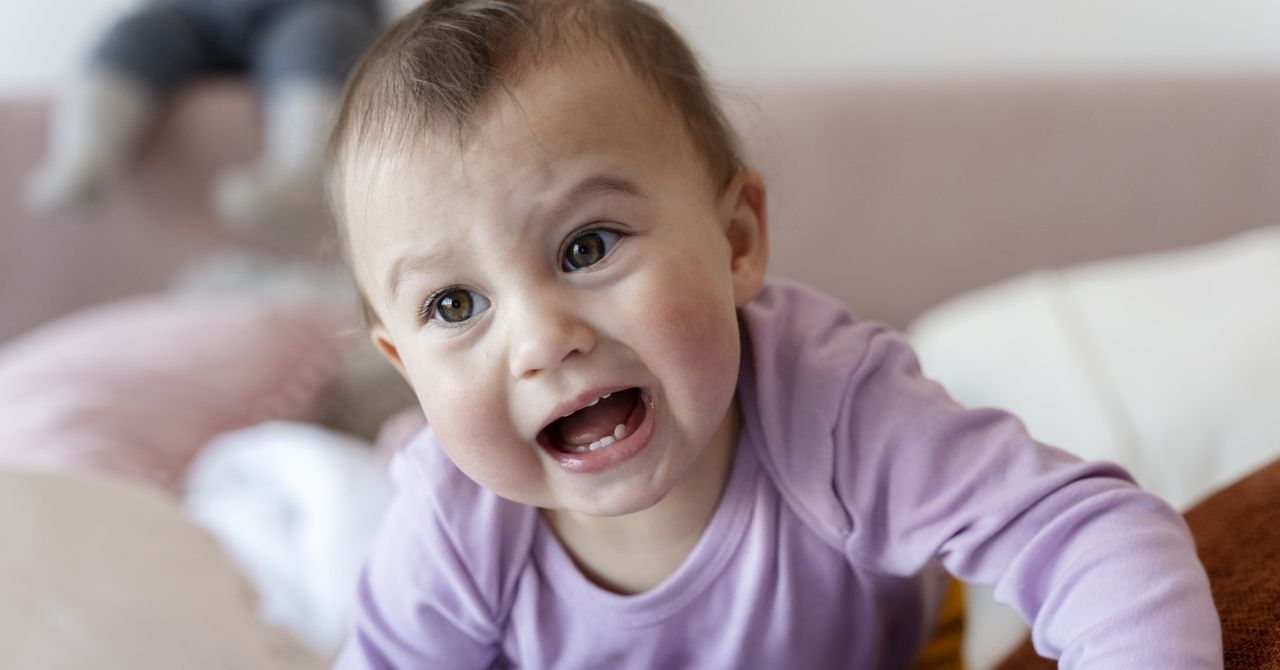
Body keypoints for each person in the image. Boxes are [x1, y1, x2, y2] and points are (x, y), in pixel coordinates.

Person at [325, 1, 1223, 667]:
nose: (540, 342)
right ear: (404, 364)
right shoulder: (451, 530)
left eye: (586, 246)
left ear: (737, 241)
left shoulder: (834, 410)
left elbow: (1092, 538)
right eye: (453, 305)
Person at [26, 0, 380, 234]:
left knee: (321, 39)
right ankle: (85, 156)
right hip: (195, 13)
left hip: (310, 8)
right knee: (133, 36)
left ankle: (304, 172)